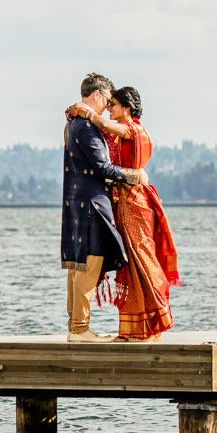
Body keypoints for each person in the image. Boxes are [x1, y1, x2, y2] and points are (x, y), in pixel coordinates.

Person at [66, 84, 180, 339]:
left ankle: (155, 320)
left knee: (142, 260)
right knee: (129, 266)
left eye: (113, 105)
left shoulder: (132, 129)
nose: (108, 108)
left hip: (134, 201)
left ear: (126, 108)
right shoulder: (120, 133)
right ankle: (135, 329)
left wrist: (85, 112)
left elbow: (104, 126)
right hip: (123, 200)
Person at [61, 72, 146, 340]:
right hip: (93, 208)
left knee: (78, 268)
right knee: (88, 267)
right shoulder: (86, 126)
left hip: (77, 205)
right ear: (96, 95)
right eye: (108, 99)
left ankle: (75, 326)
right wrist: (135, 176)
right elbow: (101, 167)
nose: (108, 106)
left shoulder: (72, 122)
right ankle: (80, 329)